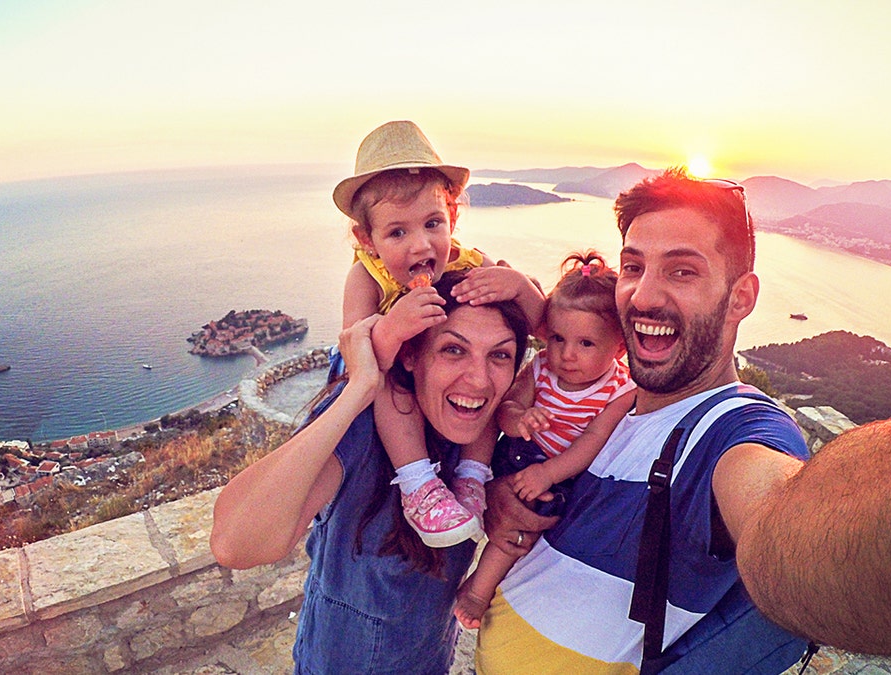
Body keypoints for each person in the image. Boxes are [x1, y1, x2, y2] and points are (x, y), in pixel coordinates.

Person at [476, 168, 814, 673]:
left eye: (682, 271)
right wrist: (499, 493)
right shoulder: (596, 403)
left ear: (740, 297)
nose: (643, 296)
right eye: (633, 267)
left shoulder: (732, 431)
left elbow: (786, 520)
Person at [211, 272, 532, 673]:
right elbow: (235, 545)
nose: (480, 379)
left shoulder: (480, 437)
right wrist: (359, 387)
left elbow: (575, 325)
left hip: (430, 660)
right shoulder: (364, 430)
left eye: (499, 355)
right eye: (453, 350)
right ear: (411, 356)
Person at [333, 120, 544, 548]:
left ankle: (471, 477)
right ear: (366, 238)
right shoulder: (366, 278)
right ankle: (418, 486)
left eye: (432, 224)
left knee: (481, 384)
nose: (421, 246)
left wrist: (519, 286)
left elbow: (541, 323)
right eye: (397, 232)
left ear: (452, 216)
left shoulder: (471, 260)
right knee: (394, 391)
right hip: (397, 378)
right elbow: (356, 356)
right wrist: (391, 329)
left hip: (447, 385)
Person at [454, 251, 636, 630]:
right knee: (516, 525)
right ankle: (476, 586)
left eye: (586, 344)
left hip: (560, 471)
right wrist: (521, 418)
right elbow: (506, 408)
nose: (566, 355)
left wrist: (548, 473)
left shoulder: (618, 389)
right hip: (519, 455)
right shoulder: (540, 368)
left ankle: (482, 587)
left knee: (522, 530)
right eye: (557, 338)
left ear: (618, 348)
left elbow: (592, 441)